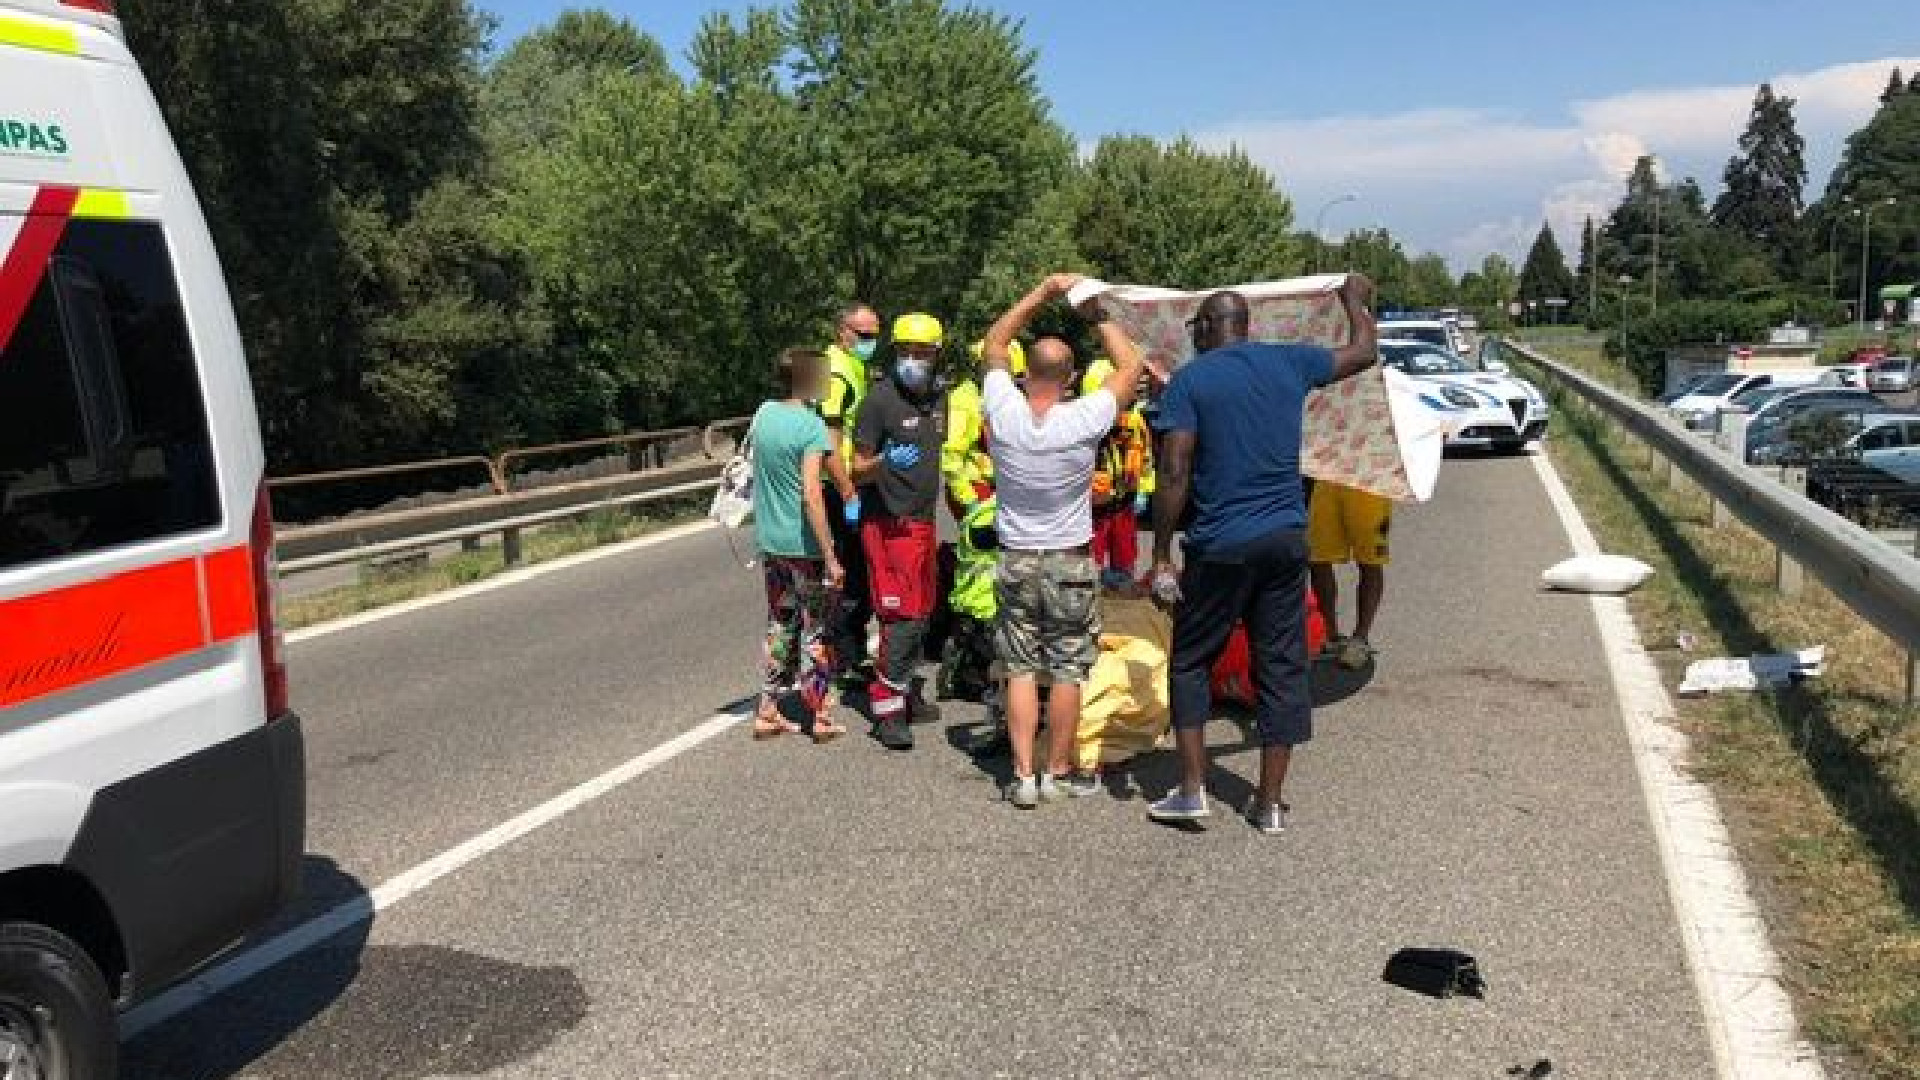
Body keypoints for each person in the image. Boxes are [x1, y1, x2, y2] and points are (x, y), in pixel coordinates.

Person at [1147, 276, 1379, 834]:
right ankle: (1270, 803)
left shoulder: (1190, 382)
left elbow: (1175, 471)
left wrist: (1159, 552)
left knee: (1191, 660)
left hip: (1219, 544)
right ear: (1247, 327)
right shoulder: (1289, 363)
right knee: (1280, 667)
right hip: (1283, 541)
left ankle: (1192, 788)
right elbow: (1365, 352)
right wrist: (1355, 301)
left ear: (1206, 328)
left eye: (1195, 326)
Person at [981, 273, 1147, 808]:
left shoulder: (1003, 412)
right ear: (1072, 376)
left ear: (1026, 374)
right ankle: (1059, 771)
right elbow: (1131, 368)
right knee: (1069, 668)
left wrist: (1039, 294)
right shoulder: (1084, 418)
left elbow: (995, 342)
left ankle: (1023, 776)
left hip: (1015, 559)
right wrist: (1090, 308)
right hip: (1070, 561)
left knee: (1021, 668)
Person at [852, 311, 949, 750]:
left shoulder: (936, 398)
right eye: (906, 352)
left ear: (935, 355)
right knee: (900, 618)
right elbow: (856, 468)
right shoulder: (879, 401)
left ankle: (906, 691)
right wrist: (884, 463)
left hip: (923, 521)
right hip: (889, 523)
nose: (913, 360)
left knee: (923, 612)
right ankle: (887, 708)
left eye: (922, 353)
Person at [749, 349, 848, 742]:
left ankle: (768, 709)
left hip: (771, 541)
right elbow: (811, 492)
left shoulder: (763, 415)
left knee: (779, 623)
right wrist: (830, 555)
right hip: (803, 545)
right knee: (817, 630)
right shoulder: (811, 427)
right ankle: (821, 714)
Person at [821, 303, 879, 684]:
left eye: (875, 335)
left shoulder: (852, 366)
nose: (871, 342)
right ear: (843, 331)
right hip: (838, 486)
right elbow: (828, 441)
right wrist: (848, 492)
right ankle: (844, 657)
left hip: (850, 482)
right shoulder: (834, 373)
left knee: (859, 570)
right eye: (863, 335)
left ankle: (847, 648)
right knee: (852, 572)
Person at [939, 494, 1008, 755]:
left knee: (985, 660)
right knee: (1000, 670)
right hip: (989, 604)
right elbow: (983, 539)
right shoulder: (997, 514)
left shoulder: (984, 508)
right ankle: (1001, 724)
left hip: (974, 602)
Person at [1083, 359, 1154, 584]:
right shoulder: (1083, 424)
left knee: (1124, 562)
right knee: (1088, 566)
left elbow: (1145, 457)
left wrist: (1143, 490)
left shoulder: (1134, 422)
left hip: (1124, 502)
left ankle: (1122, 590)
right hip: (1092, 507)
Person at [1308, 480, 1391, 670]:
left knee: (1370, 561)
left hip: (1371, 482)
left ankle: (1361, 638)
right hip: (1328, 477)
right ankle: (1330, 634)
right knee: (1317, 559)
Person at [942, 340, 1025, 520]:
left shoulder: (993, 398)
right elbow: (951, 455)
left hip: (998, 486)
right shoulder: (964, 400)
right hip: (975, 488)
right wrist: (969, 499)